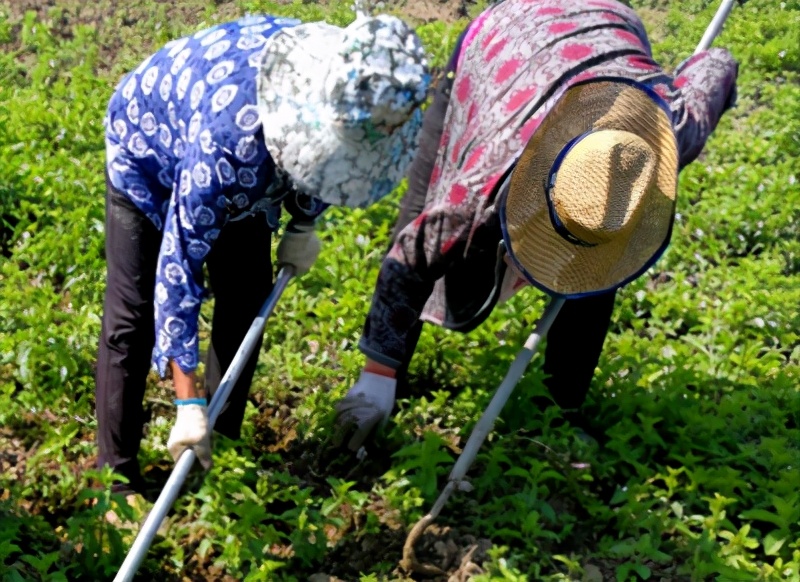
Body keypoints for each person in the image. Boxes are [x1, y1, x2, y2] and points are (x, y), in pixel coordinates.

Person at [334, 0, 738, 451]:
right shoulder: (482, 191)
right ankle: (393, 375)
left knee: (599, 270)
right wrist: (378, 375)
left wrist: (691, 76)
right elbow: (410, 257)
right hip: (505, 40)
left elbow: (716, 66)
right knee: (425, 199)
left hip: (608, 21)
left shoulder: (667, 132)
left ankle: (561, 407)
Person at [97, 12, 430, 493]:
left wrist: (303, 221)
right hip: (148, 142)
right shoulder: (229, 145)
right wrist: (186, 402)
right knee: (134, 314)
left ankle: (217, 459)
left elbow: (330, 161)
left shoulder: (357, 85)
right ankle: (117, 480)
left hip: (246, 161)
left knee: (246, 294)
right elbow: (178, 269)